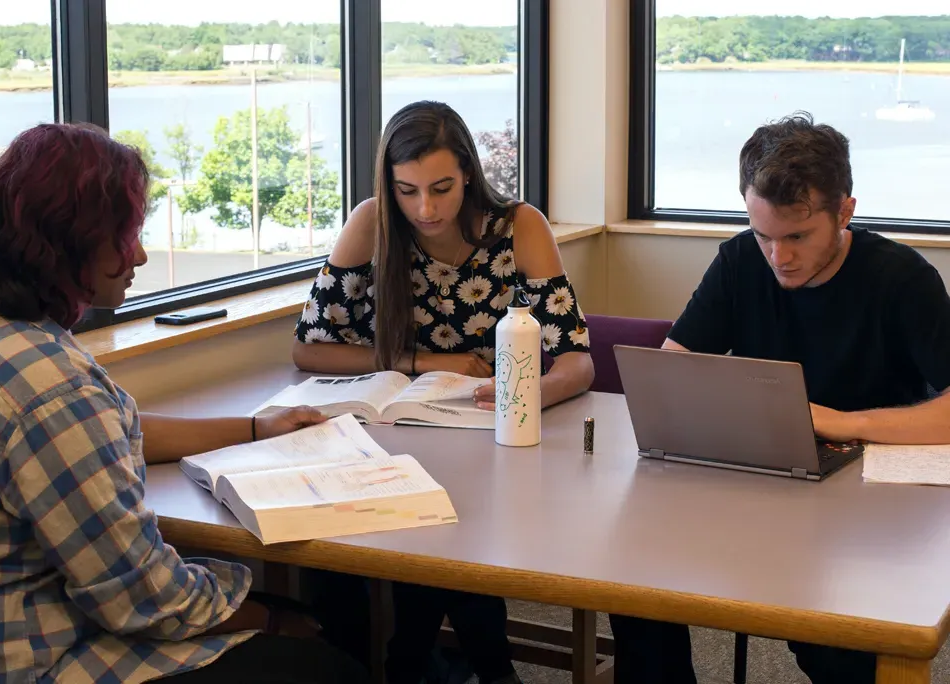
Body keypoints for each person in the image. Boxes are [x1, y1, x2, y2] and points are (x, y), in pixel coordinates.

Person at [0, 123, 368, 684]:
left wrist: (258, 428)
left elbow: (116, 431)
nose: (138, 254)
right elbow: (145, 599)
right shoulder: (50, 389)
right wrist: (272, 619)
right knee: (329, 662)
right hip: (39, 656)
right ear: (70, 241)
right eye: (126, 235)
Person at [607, 111, 950, 684]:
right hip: (765, 484)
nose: (778, 256)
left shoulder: (902, 278)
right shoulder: (742, 260)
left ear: (845, 211)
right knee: (634, 581)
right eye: (763, 233)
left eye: (797, 236)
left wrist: (839, 421)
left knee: (837, 646)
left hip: (872, 503)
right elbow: (670, 371)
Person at [292, 100, 595, 684]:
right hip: (396, 437)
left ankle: (420, 662)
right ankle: (445, 665)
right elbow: (310, 348)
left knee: (453, 528)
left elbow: (576, 362)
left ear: (469, 174)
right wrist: (431, 361)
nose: (425, 209)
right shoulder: (371, 222)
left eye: (441, 188)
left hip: (494, 447)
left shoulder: (517, 226)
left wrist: (519, 393)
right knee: (356, 548)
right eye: (407, 190)